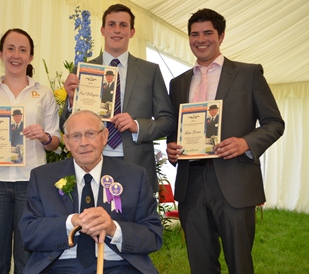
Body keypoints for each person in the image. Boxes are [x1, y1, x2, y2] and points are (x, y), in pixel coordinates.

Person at [166, 9, 284, 273]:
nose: (201, 39)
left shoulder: (248, 74)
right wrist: (171, 147)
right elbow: (176, 129)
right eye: (194, 34)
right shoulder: (178, 83)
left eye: (208, 33)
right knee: (200, 264)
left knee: (240, 263)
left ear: (221, 36)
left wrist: (246, 143)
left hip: (235, 182)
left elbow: (275, 123)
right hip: (191, 184)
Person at [19, 110, 162, 273]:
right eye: (76, 136)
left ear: (105, 136)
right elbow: (29, 235)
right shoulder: (42, 177)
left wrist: (113, 229)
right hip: (58, 266)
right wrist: (71, 223)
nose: (84, 142)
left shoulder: (134, 176)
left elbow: (153, 235)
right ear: (66, 142)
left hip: (120, 265)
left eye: (91, 133)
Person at [0, 28, 61, 274]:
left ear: (30, 57)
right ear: (0, 53)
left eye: (22, 50)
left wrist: (44, 136)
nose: (16, 55)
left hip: (31, 184)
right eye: (10, 48)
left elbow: (55, 141)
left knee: (26, 259)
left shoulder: (44, 93)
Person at [62, 3, 176, 192]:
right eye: (112, 24)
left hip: (137, 164)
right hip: (92, 162)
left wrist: (137, 126)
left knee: (135, 221)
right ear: (102, 30)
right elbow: (65, 126)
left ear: (132, 32)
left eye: (123, 25)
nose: (117, 30)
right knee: (94, 221)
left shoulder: (150, 71)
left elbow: (169, 121)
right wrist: (72, 101)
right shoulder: (82, 71)